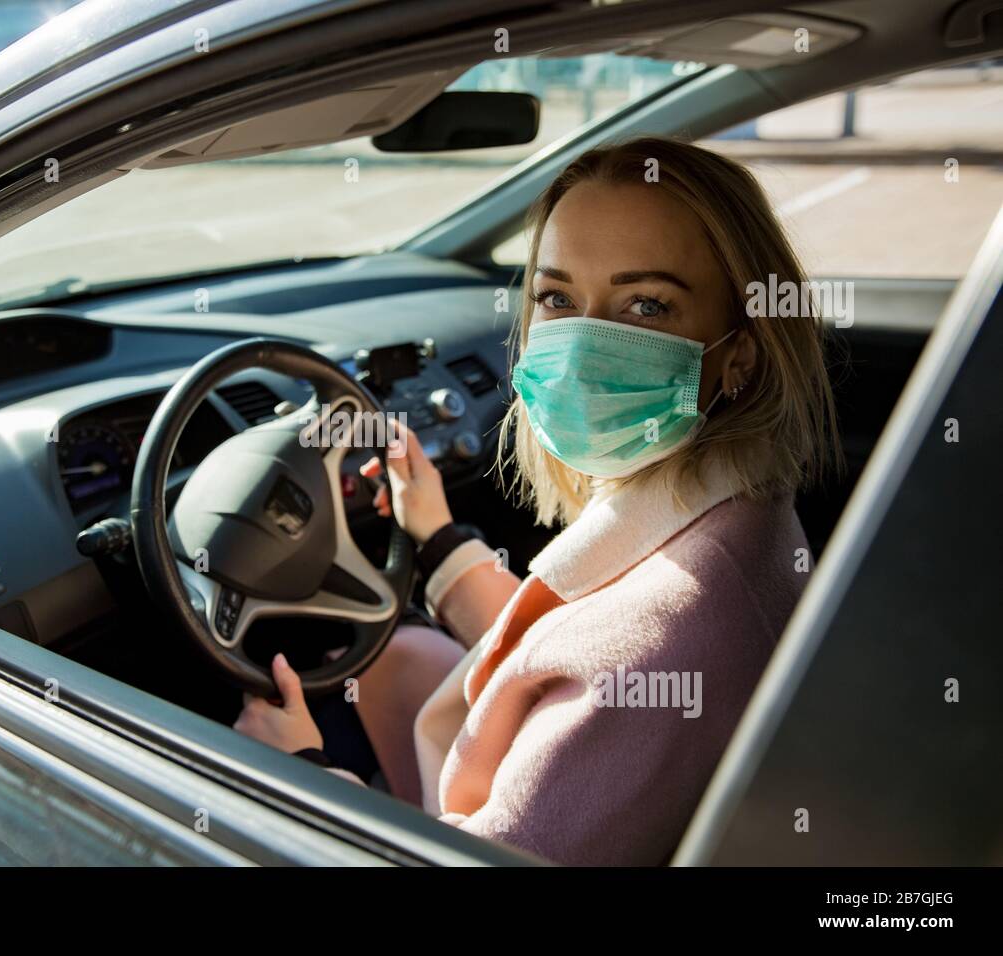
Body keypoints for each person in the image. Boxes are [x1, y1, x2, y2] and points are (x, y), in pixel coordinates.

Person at [233, 136, 841, 865]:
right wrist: (438, 538)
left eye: (647, 305)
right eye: (557, 297)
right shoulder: (737, 513)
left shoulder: (666, 647)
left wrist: (301, 777)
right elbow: (570, 642)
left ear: (740, 352)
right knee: (402, 655)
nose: (584, 345)